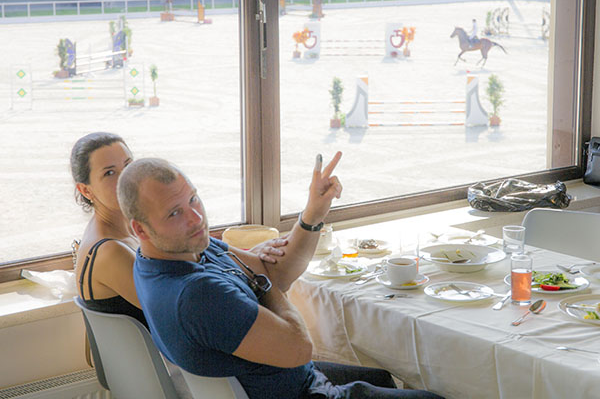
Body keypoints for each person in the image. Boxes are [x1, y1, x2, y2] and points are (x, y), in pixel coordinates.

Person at [118, 155, 444, 399]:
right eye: (174, 212)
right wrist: (265, 287)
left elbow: (276, 271)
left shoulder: (179, 250)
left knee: (382, 378)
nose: (196, 218)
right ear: (140, 229)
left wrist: (313, 213)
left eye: (193, 199)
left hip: (291, 380)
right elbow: (299, 347)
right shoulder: (197, 294)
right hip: (302, 391)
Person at [70, 132, 288, 327]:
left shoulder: (125, 228)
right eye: (109, 173)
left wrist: (243, 260)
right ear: (85, 190)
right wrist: (245, 270)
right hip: (167, 358)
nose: (124, 178)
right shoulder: (109, 251)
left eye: (128, 165)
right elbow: (186, 306)